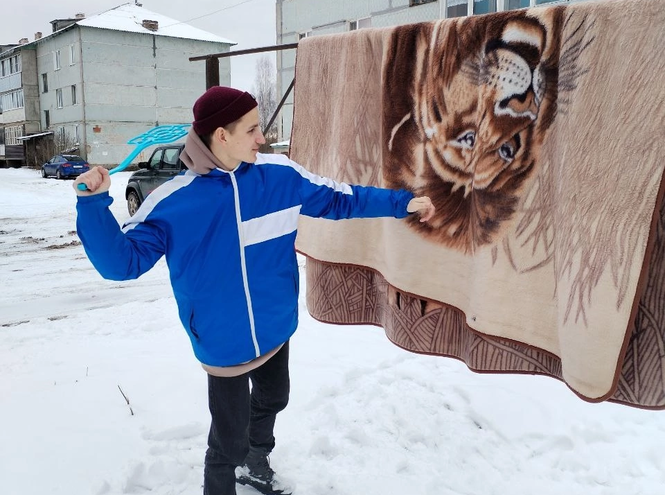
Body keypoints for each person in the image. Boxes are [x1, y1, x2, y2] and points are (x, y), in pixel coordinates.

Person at [73, 86, 435, 495]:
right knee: (226, 441)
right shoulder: (174, 201)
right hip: (222, 339)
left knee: (274, 399)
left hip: (275, 326)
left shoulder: (279, 176)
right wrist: (92, 204)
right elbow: (123, 263)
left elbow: (339, 199)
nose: (262, 138)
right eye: (252, 129)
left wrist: (400, 204)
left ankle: (255, 462)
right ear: (221, 136)